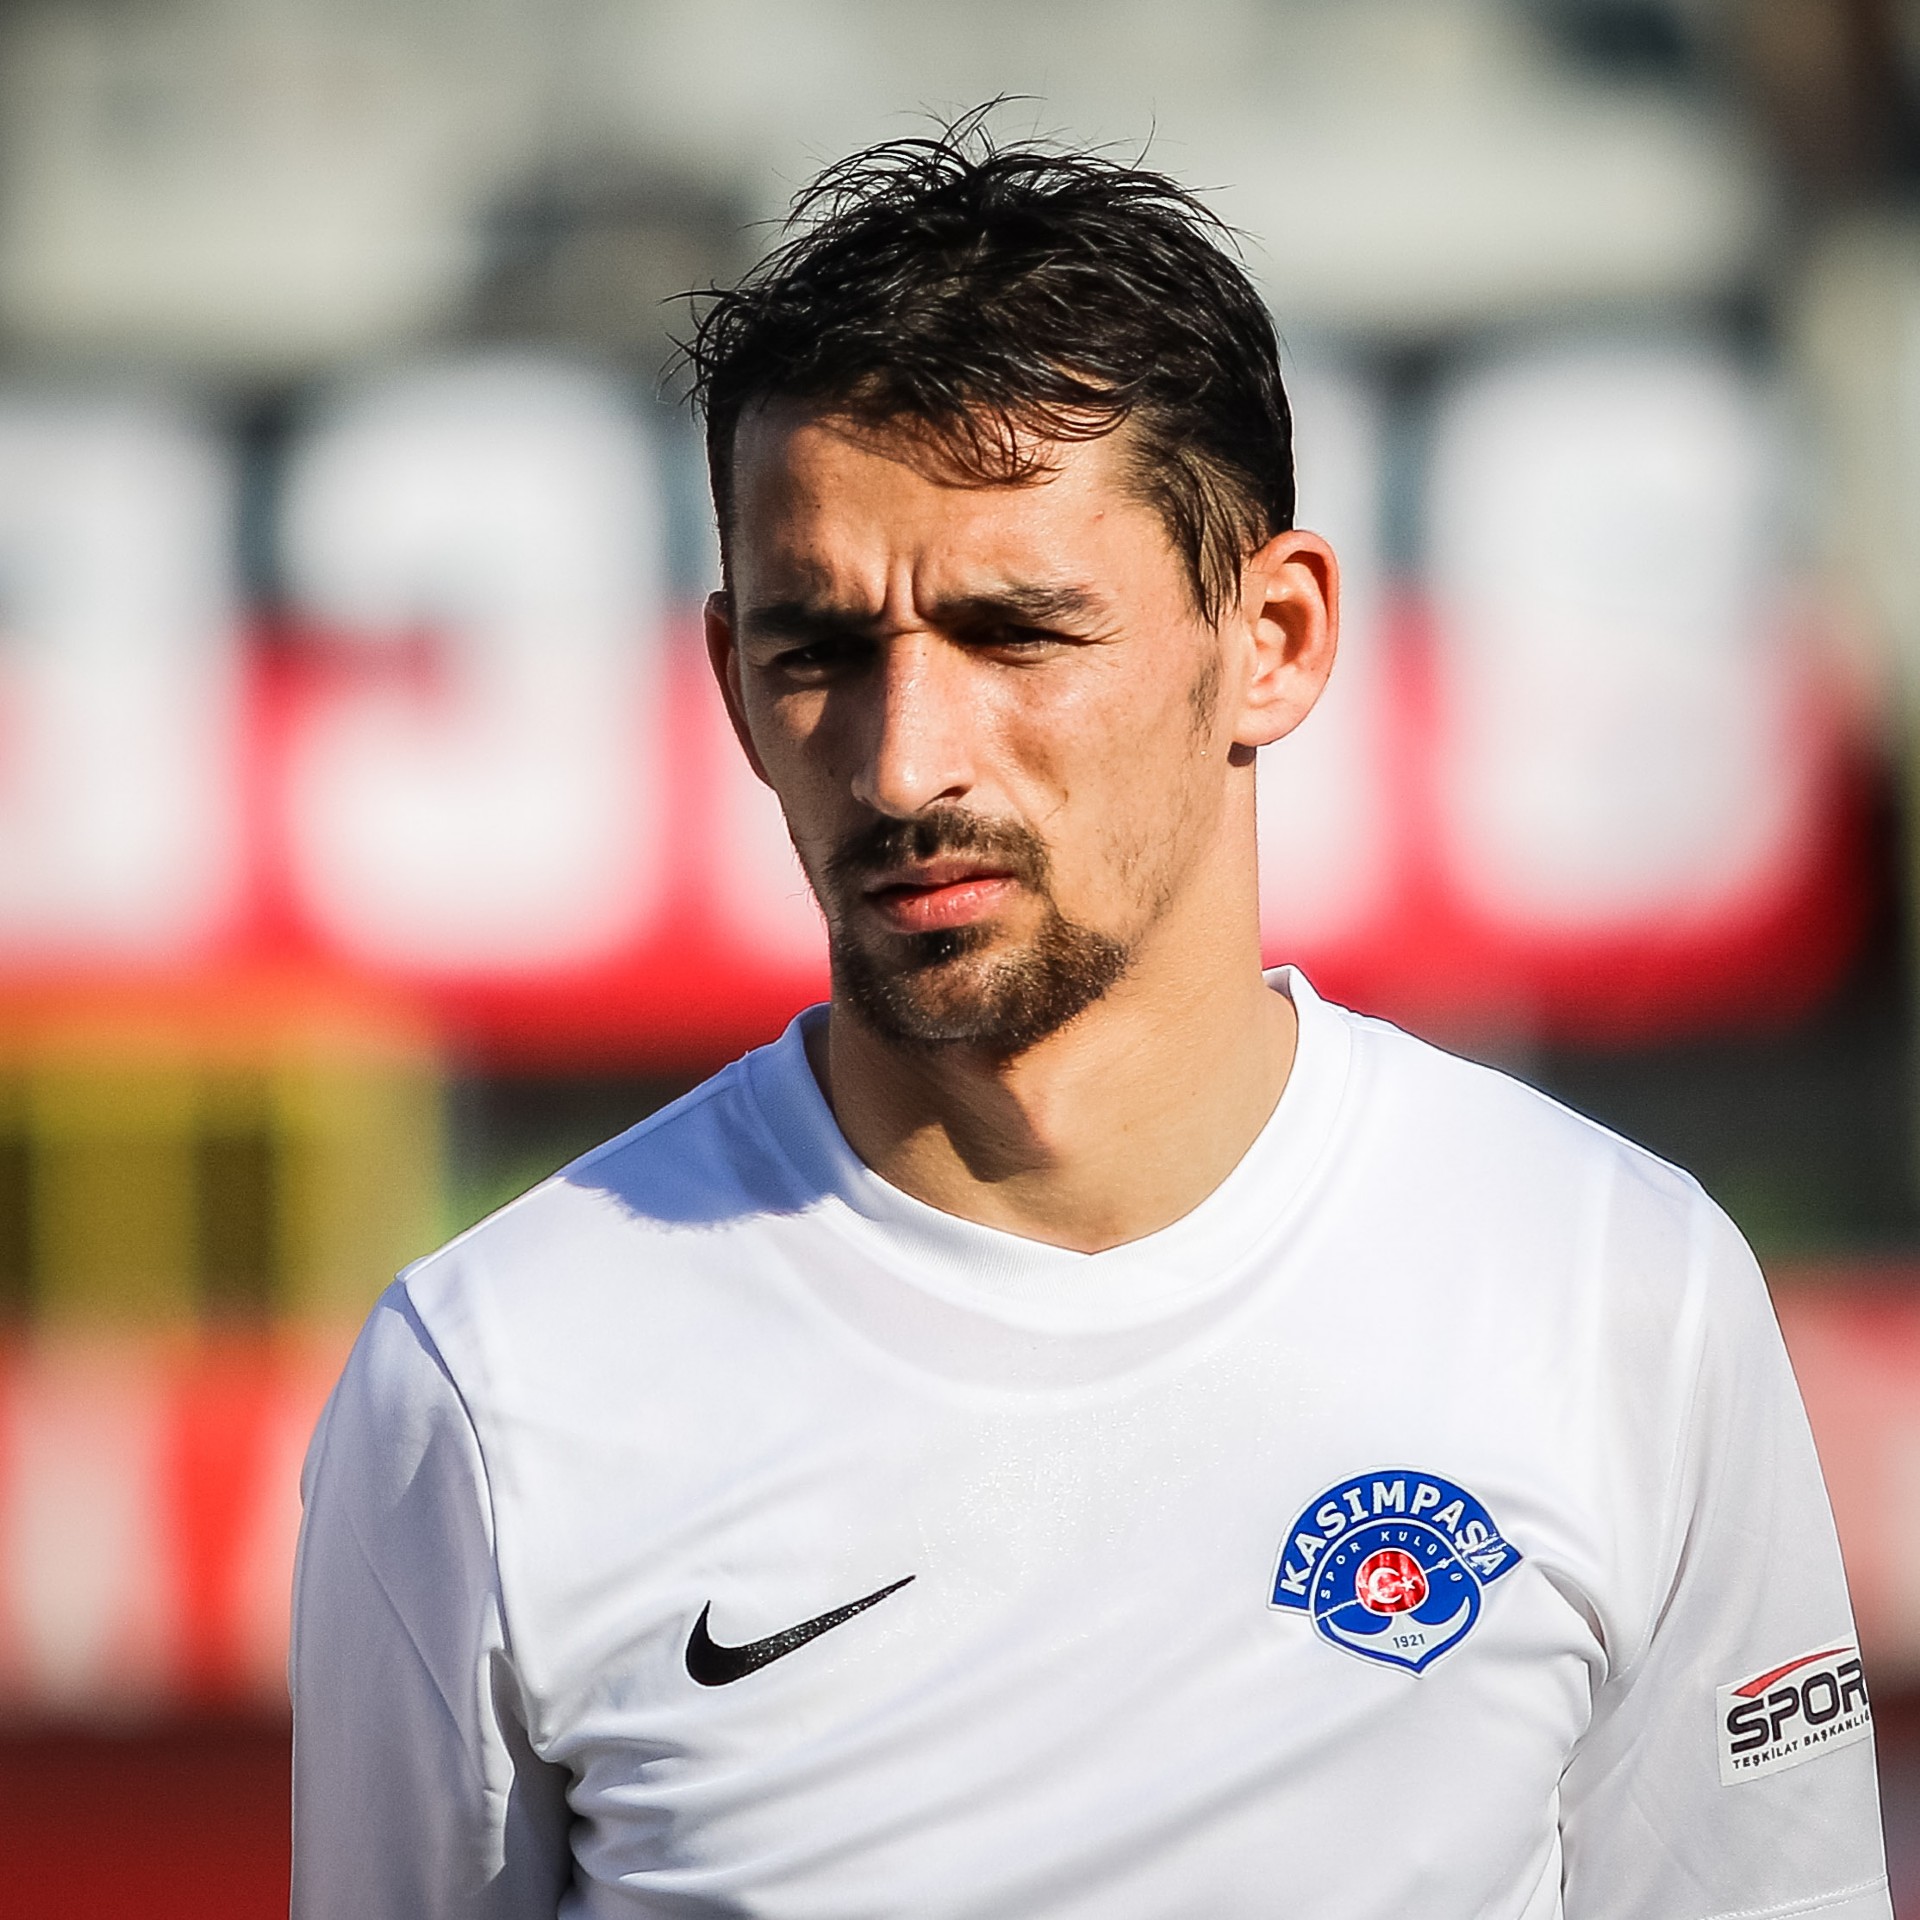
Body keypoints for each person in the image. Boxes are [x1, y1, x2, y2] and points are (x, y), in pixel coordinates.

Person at [290, 121, 1891, 1919]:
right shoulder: (491, 1386)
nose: (905, 764)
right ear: (732, 684)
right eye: (818, 653)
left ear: (1273, 638)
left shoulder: (1615, 1289)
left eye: (1017, 634)